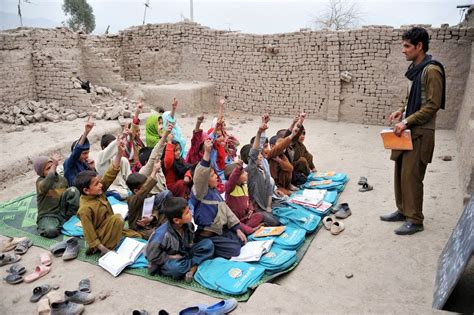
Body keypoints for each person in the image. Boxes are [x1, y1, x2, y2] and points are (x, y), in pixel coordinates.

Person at [380, 27, 446, 235]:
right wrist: (400, 111)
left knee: (412, 176)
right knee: (400, 172)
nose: (404, 50)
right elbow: (410, 100)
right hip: (408, 130)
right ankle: (403, 210)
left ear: (419, 46)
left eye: (407, 46)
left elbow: (432, 105)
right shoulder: (416, 69)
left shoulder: (432, 70)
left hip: (421, 132)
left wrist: (407, 121)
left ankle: (415, 219)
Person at [75, 136, 142, 255]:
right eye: (96, 184)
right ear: (86, 190)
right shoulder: (84, 209)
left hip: (110, 229)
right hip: (101, 239)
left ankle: (117, 237)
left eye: (99, 182)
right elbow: (89, 234)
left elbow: (110, 174)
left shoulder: (98, 191)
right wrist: (105, 250)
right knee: (118, 219)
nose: (100, 185)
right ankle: (109, 245)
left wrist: (120, 154)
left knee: (138, 235)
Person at [189, 139, 246, 259]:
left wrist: (237, 229)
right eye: (212, 175)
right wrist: (207, 153)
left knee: (240, 239)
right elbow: (200, 176)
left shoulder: (215, 192)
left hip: (220, 231)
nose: (216, 177)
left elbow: (226, 210)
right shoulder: (200, 192)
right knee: (235, 250)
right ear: (205, 180)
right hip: (207, 235)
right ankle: (204, 248)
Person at [146, 197, 214, 282]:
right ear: (176, 220)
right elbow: (152, 256)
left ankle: (192, 267)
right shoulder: (162, 235)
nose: (191, 213)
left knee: (208, 244)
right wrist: (169, 257)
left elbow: (190, 243)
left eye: (189, 210)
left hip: (184, 253)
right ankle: (193, 266)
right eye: (187, 213)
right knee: (175, 269)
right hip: (170, 259)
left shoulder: (188, 225)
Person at [241, 114, 281, 226]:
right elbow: (255, 151)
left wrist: (269, 207)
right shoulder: (251, 170)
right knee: (275, 223)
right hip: (257, 208)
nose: (260, 156)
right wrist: (259, 132)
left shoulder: (262, 168)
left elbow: (269, 188)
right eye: (258, 154)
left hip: (267, 204)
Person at [34, 154, 80, 238]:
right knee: (51, 231)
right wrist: (54, 165)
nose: (52, 169)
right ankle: (60, 225)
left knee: (73, 190)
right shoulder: (40, 182)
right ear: (41, 173)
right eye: (48, 168)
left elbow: (69, 197)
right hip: (48, 215)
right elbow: (45, 185)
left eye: (52, 166)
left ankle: (71, 218)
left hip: (63, 212)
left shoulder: (62, 179)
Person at [126, 159, 171, 239]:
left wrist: (152, 218)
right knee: (159, 235)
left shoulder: (147, 195)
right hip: (140, 228)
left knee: (170, 216)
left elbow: (155, 209)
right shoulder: (132, 200)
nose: (147, 189)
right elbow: (145, 189)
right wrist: (154, 171)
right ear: (136, 191)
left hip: (151, 222)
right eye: (144, 187)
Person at [224, 160, 263, 235]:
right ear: (236, 177)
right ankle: (249, 230)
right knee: (237, 224)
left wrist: (250, 208)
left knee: (259, 216)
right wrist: (238, 169)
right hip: (235, 219)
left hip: (245, 217)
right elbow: (232, 180)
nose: (246, 173)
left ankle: (245, 229)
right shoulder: (230, 188)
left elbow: (249, 200)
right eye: (243, 173)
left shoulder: (244, 186)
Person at [95, 133, 131, 201]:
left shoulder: (123, 160)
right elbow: (108, 151)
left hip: (125, 191)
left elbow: (128, 179)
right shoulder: (100, 159)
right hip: (111, 193)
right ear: (103, 148)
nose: (116, 148)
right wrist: (121, 136)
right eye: (114, 146)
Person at [63, 117, 96, 186]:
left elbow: (93, 181)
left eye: (88, 152)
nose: (87, 156)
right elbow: (77, 151)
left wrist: (92, 168)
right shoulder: (69, 163)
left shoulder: (84, 163)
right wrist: (86, 133)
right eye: (84, 153)